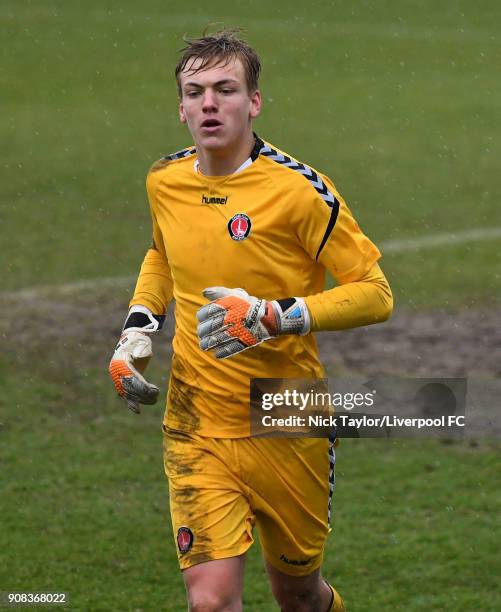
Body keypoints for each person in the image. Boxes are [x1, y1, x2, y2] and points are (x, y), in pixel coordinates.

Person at [109, 28, 393, 612]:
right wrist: (137, 327)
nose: (210, 103)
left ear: (254, 102)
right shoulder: (164, 180)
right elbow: (162, 254)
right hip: (196, 419)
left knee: (300, 595)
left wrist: (276, 316)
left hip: (286, 411)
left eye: (225, 89)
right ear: (181, 107)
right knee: (209, 602)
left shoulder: (299, 192)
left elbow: (375, 293)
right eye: (196, 92)